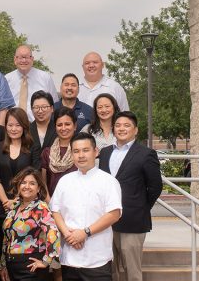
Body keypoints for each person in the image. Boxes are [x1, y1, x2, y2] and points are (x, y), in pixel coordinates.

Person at [97, 112, 161, 281]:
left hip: (133, 220)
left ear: (136, 130)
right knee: (109, 270)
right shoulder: (104, 153)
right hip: (106, 221)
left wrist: (141, 206)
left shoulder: (146, 154)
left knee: (132, 272)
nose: (121, 128)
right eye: (118, 125)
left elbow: (155, 187)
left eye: (126, 125)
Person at [50, 132, 122, 281]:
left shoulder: (108, 181)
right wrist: (68, 234)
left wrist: (85, 233)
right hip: (69, 257)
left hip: (97, 258)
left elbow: (114, 213)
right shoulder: (65, 181)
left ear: (95, 152)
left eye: (85, 150)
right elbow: (55, 210)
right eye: (76, 151)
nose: (81, 155)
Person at [0, 107, 40, 250]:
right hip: (2, 207)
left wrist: (18, 200)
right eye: (10, 125)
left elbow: (35, 176)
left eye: (18, 125)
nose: (14, 129)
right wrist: (6, 202)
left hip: (27, 205)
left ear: (24, 126)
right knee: (2, 247)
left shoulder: (33, 147)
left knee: (23, 247)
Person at [2, 167, 61, 281]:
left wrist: (46, 261)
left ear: (38, 188)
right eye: (23, 183)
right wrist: (4, 264)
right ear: (18, 186)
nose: (27, 186)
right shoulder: (14, 208)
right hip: (11, 266)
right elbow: (7, 238)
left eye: (32, 183)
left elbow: (54, 234)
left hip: (30, 267)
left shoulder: (40, 207)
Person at [4, 45, 58, 121]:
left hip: (39, 126)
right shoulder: (6, 79)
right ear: (15, 59)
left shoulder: (45, 78)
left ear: (32, 59)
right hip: (14, 126)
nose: (24, 60)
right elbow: (3, 106)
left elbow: (54, 104)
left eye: (26, 57)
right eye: (20, 57)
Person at [40, 108, 78, 194]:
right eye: (59, 125)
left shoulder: (80, 151)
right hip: (52, 203)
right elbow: (43, 183)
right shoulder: (47, 153)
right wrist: (50, 203)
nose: (63, 128)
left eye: (67, 124)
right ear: (55, 127)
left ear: (75, 126)